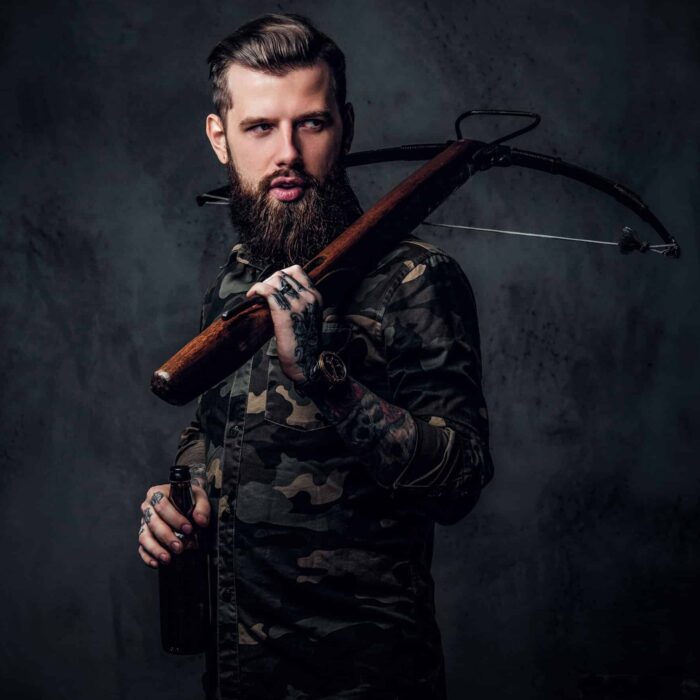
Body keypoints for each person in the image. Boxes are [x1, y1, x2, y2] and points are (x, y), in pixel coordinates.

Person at [138, 13, 494, 700]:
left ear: (346, 127)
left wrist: (324, 378)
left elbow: (461, 482)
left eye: (312, 123)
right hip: (239, 674)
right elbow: (213, 429)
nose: (288, 155)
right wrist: (180, 496)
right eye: (260, 127)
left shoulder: (417, 280)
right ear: (220, 139)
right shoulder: (239, 275)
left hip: (365, 680)